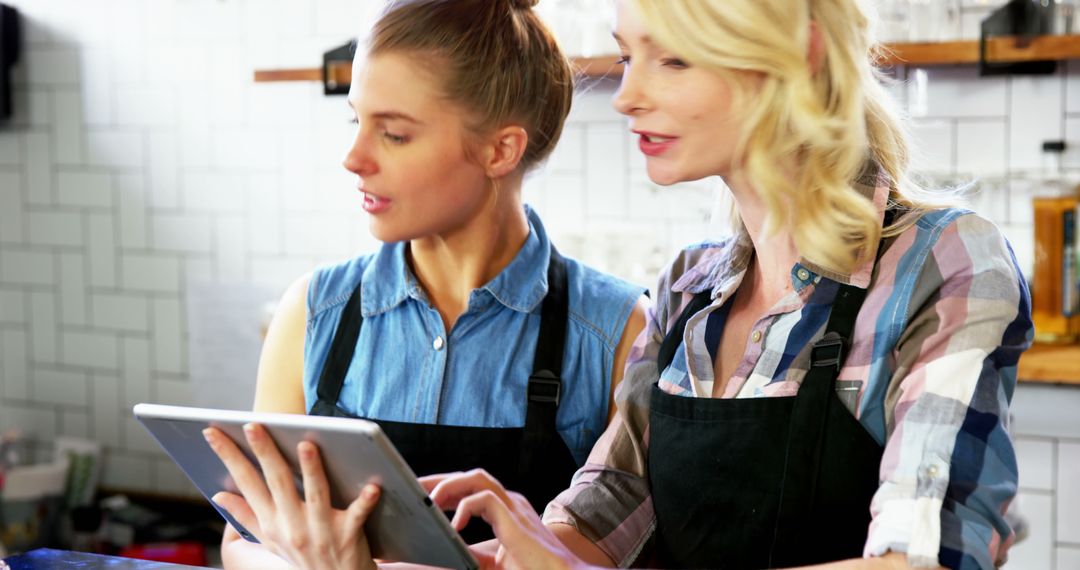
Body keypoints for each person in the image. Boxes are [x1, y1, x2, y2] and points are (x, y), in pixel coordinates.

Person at [421, 1, 1035, 569]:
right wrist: (474, 559)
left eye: (674, 60)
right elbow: (610, 508)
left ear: (801, 56)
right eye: (630, 58)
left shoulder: (942, 262)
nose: (625, 97)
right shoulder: (688, 287)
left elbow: (925, 559)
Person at [202, 0, 648, 567]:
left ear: (500, 149)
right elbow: (244, 541)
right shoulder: (313, 312)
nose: (353, 158)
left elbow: (614, 554)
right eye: (355, 122)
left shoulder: (616, 330)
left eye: (393, 134)